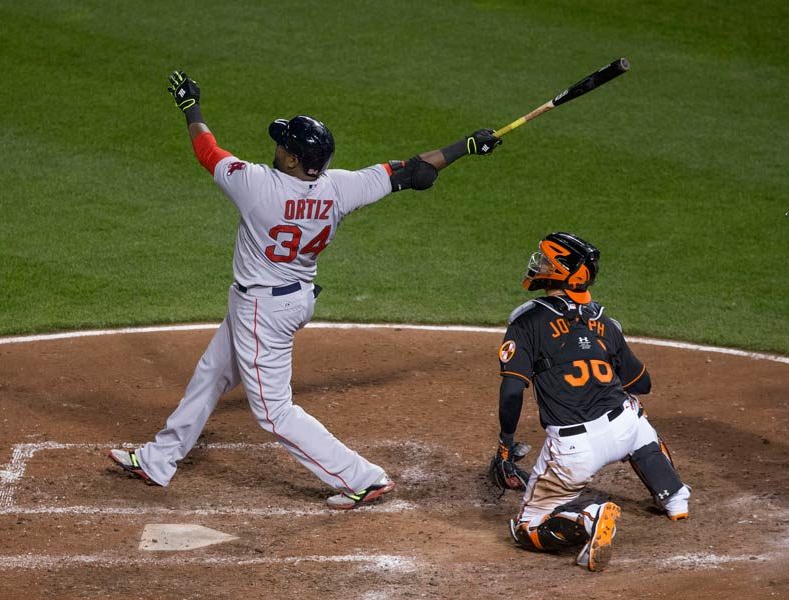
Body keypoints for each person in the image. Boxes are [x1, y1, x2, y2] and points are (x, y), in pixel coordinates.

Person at [109, 69, 502, 509]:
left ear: (294, 159)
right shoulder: (340, 188)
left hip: (264, 308)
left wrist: (189, 106)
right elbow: (411, 171)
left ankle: (362, 478)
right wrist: (465, 148)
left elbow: (206, 148)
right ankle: (158, 459)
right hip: (290, 299)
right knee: (212, 373)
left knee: (274, 413)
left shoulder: (256, 185)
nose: (276, 146)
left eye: (283, 143)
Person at [488, 232, 690, 570]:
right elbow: (643, 383)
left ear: (565, 272)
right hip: (625, 430)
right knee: (632, 409)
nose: (539, 264)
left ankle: (587, 518)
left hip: (574, 452)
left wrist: (506, 443)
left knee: (526, 528)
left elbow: (511, 393)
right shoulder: (604, 323)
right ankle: (674, 496)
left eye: (547, 260)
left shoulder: (527, 324)